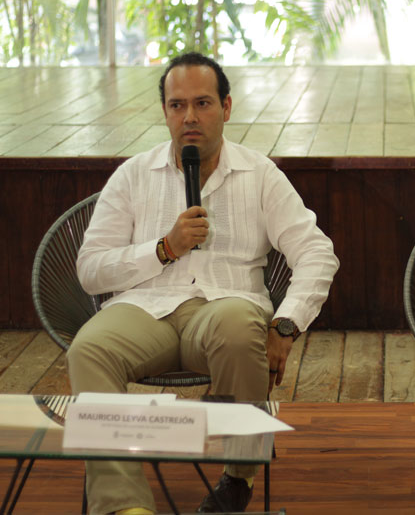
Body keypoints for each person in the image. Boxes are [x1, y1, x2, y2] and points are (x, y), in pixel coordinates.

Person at [68, 52, 339, 515]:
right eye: (177, 105)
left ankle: (238, 476)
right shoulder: (134, 174)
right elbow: (90, 268)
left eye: (203, 103)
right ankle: (124, 506)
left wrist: (287, 323)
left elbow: (316, 252)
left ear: (227, 107)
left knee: (238, 327)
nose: (189, 117)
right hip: (145, 308)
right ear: (165, 112)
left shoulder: (260, 174)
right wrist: (163, 248)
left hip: (226, 305)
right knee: (87, 350)